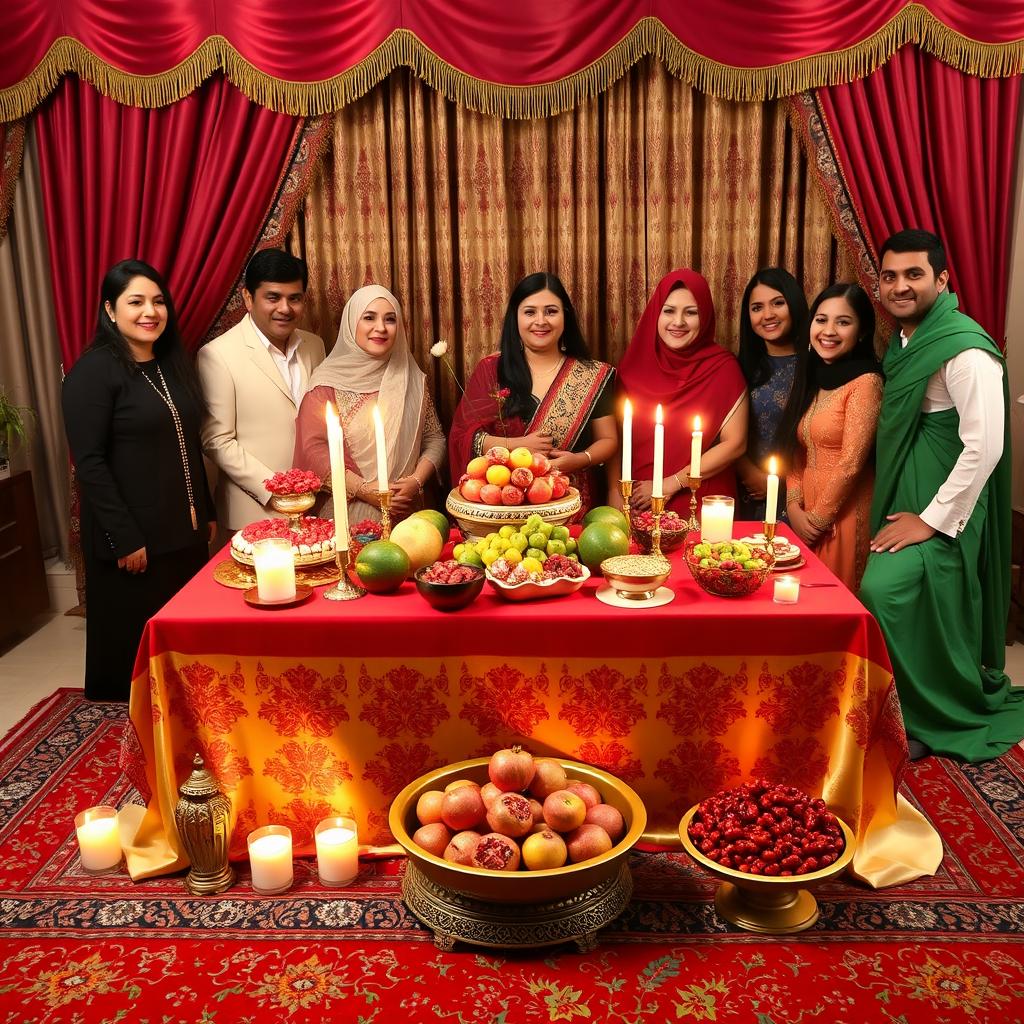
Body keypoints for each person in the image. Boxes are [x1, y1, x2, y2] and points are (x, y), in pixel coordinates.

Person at [859, 228, 1024, 762]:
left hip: (946, 508)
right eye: (890, 276)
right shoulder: (906, 340)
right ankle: (901, 707)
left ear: (942, 279)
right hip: (907, 493)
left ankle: (933, 713)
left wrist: (930, 521)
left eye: (914, 275)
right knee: (901, 598)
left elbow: (986, 447)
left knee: (886, 593)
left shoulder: (965, 348)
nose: (900, 286)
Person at [62, 260, 215, 701]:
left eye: (158, 301)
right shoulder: (93, 372)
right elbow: (88, 463)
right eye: (136, 302)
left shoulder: (170, 364)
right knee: (133, 662)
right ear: (110, 310)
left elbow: (187, 444)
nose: (151, 311)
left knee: (180, 646)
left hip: (180, 529)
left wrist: (204, 512)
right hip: (131, 539)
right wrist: (124, 537)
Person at [448, 272, 617, 514]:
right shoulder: (491, 370)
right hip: (504, 507)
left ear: (565, 316)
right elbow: (463, 438)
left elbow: (608, 440)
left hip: (569, 505)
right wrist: (518, 446)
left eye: (551, 311)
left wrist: (580, 459)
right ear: (515, 317)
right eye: (530, 312)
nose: (541, 321)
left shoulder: (592, 374)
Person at [197, 249, 325, 534]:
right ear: (247, 298)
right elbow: (217, 440)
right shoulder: (217, 355)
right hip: (255, 511)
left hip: (314, 508)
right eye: (273, 297)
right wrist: (277, 489)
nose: (285, 308)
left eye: (295, 298)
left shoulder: (315, 346)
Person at [294, 284, 445, 525]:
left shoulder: (412, 379)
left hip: (410, 516)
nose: (381, 328)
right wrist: (363, 489)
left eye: (390, 319)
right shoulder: (326, 385)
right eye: (369, 317)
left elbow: (434, 438)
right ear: (352, 322)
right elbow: (313, 452)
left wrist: (416, 481)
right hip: (346, 518)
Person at [616, 268, 747, 515]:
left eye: (691, 312)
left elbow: (735, 444)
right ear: (656, 313)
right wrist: (620, 497)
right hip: (639, 499)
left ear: (705, 316)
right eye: (669, 311)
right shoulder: (631, 368)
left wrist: (670, 483)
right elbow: (617, 443)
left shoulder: (723, 368)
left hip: (698, 496)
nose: (678, 322)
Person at [777, 283, 882, 590]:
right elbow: (796, 451)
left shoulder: (866, 382)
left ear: (861, 332)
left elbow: (852, 462)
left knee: (834, 598)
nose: (829, 330)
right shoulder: (815, 378)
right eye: (821, 319)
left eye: (843, 322)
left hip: (843, 515)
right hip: (805, 512)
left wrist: (819, 519)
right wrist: (795, 509)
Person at [736, 268, 808, 521]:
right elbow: (721, 433)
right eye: (757, 308)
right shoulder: (739, 368)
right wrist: (750, 474)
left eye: (778, 303)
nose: (768, 315)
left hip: (803, 499)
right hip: (748, 493)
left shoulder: (816, 365)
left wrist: (781, 482)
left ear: (794, 304)